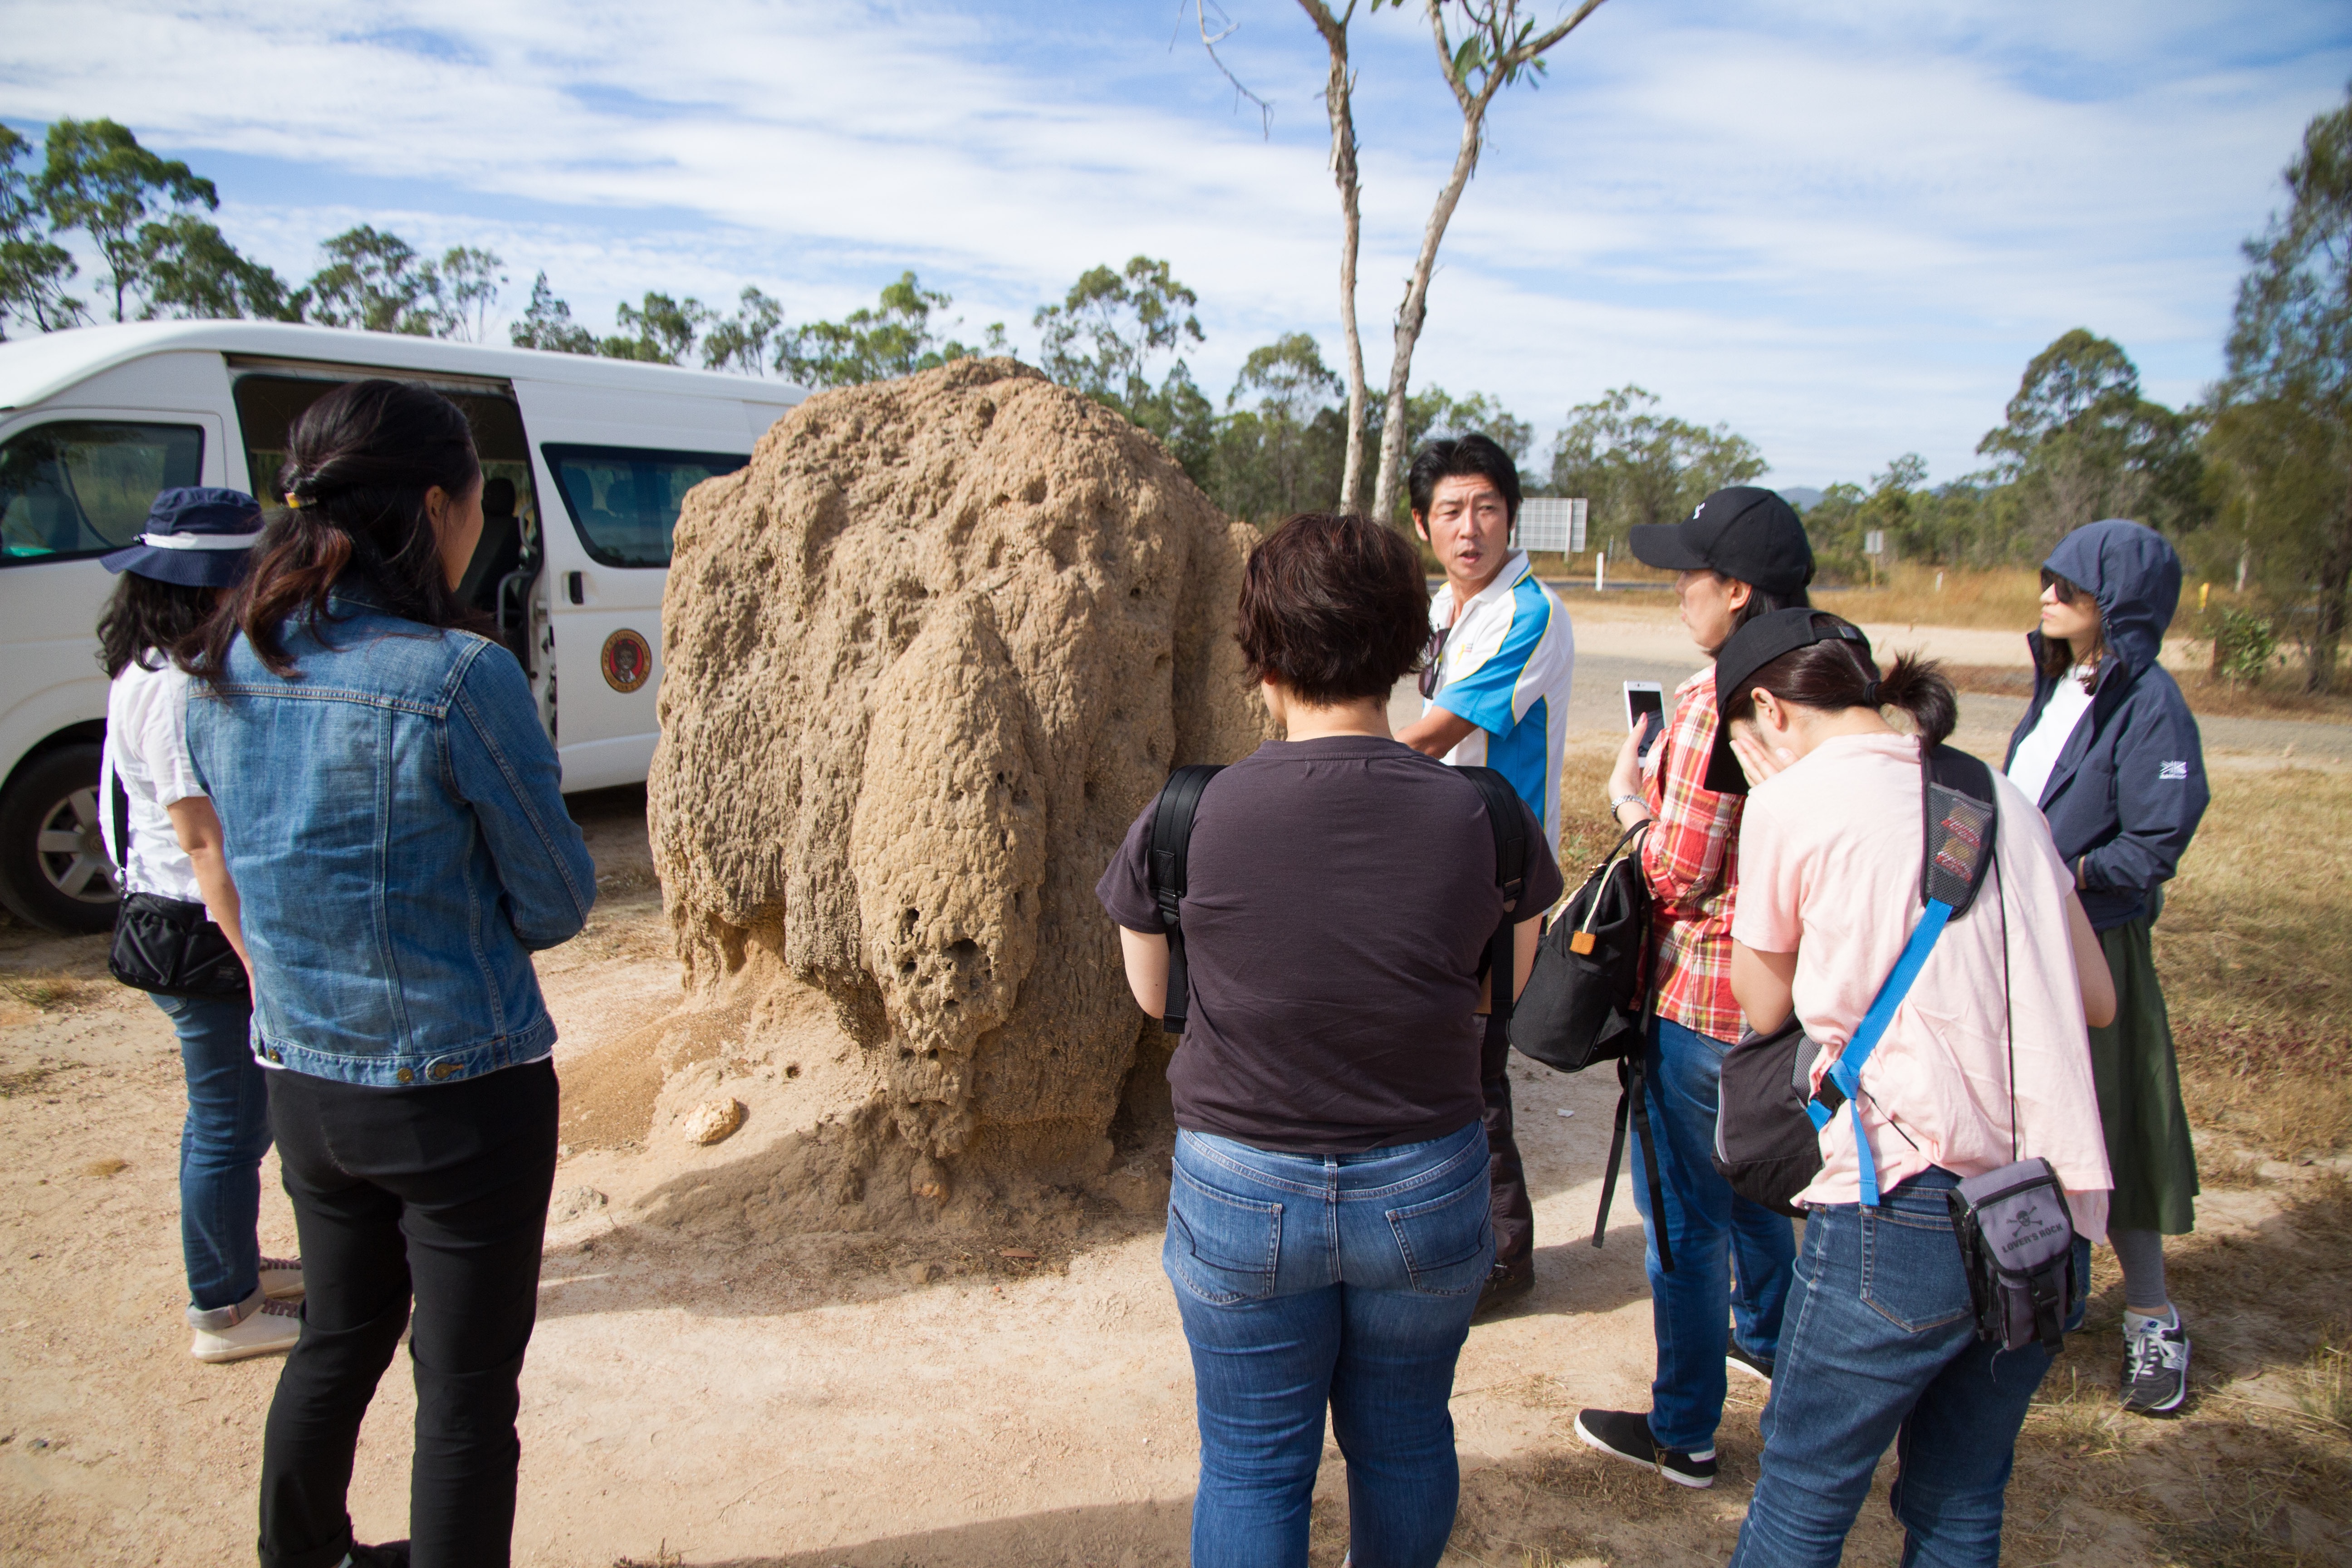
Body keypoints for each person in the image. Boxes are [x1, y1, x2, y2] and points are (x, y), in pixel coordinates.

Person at [1099, 511, 1563, 1568]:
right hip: (1428, 1178)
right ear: (1411, 652)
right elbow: (1504, 992)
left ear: (1262, 660)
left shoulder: (1186, 814)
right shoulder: (1485, 815)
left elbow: (1153, 996)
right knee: (1404, 1441)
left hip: (1239, 1183)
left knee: (1255, 1463)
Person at [185, 379, 597, 1568]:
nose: (482, 525)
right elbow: (559, 899)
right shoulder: (461, 679)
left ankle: (298, 1555)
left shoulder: (224, 668)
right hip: (461, 1093)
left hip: (306, 1087)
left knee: (336, 1340)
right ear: (434, 505)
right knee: (466, 1396)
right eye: (478, 501)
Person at [1715, 608, 2116, 1568]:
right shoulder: (1998, 797)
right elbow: (2096, 998)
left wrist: (1772, 827)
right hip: (2044, 1209)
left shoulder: (1787, 806)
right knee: (1961, 1494)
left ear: (1768, 711)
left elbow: (1763, 1005)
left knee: (1805, 1493)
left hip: (1903, 1201)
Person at [1571, 487, 1809, 1488]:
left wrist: (1633, 798)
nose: (1678, 592)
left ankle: (1685, 1434)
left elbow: (1674, 872)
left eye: (1690, 575)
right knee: (1758, 1182)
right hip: (1793, 1003)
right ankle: (1774, 1344)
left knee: (1682, 1225)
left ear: (1738, 590)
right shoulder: (1832, 673)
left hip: (1703, 1000)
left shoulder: (1720, 698)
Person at [95, 486, 304, 1364]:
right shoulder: (178, 689)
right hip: (195, 926)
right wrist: (258, 962)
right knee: (228, 1123)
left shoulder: (145, 666)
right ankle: (222, 1310)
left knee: (231, 1116)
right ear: (213, 588)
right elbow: (204, 846)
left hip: (173, 916)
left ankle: (233, 1266)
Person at [2004, 518, 2209, 1415]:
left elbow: (2156, 839)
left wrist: (2068, 873)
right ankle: (2048, 1293)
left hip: (2097, 941)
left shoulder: (2152, 702)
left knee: (2115, 1127)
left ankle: (2154, 1319)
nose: (2048, 595)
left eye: (2071, 585)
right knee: (2035, 1120)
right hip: (2026, 935)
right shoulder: (2057, 690)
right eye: (2050, 580)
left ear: (2116, 604)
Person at [1395, 433, 1574, 1313]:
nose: (1471, 529)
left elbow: (1432, 734)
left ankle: (1504, 1260)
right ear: (1425, 524)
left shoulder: (1526, 612)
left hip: (1496, 872)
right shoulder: (1447, 607)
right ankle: (1463, 1239)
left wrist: (1338, 766)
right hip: (1442, 858)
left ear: (1512, 515)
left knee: (1474, 1065)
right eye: (1453, 512)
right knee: (1450, 1058)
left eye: (1488, 509)